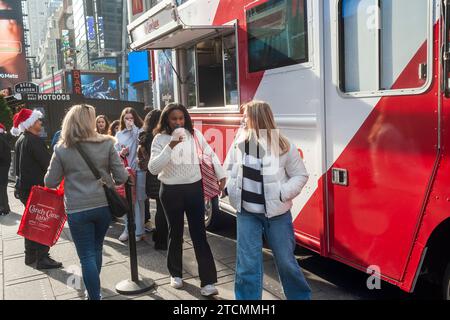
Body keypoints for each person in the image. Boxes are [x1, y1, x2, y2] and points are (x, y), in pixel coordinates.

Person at [223, 100, 311, 300]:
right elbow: (229, 166)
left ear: (256, 118)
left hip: (277, 215)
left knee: (286, 262)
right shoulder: (240, 141)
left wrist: (283, 193)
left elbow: (300, 175)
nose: (242, 119)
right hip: (246, 213)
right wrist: (228, 187)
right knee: (247, 264)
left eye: (245, 116)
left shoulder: (283, 144)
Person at [44, 104, 129, 300]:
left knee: (86, 256)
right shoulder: (107, 143)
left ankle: (94, 295)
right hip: (103, 206)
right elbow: (122, 177)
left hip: (77, 208)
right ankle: (94, 290)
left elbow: (50, 182)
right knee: (97, 249)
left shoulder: (62, 149)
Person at [149, 103, 226, 297]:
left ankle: (208, 281)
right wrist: (171, 145)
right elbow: (153, 168)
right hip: (170, 191)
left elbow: (209, 153)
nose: (178, 122)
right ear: (166, 119)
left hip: (194, 189)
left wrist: (221, 173)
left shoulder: (195, 135)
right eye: (174, 118)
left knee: (199, 233)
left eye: (181, 118)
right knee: (175, 232)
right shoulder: (159, 139)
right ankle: (175, 274)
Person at [11, 108, 63, 269]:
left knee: (31, 222)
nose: (41, 122)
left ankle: (30, 255)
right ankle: (42, 258)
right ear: (30, 124)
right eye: (38, 120)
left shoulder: (22, 139)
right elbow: (48, 164)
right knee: (41, 222)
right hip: (35, 189)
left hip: (25, 188)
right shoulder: (33, 140)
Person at [137, 109, 168, 250]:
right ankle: (163, 240)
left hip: (150, 176)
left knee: (160, 209)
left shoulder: (144, 137)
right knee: (164, 209)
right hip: (161, 174)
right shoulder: (158, 137)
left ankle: (159, 239)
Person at [115, 107, 145, 242]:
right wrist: (121, 153)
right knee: (126, 200)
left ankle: (139, 230)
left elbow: (140, 140)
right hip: (125, 170)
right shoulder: (119, 134)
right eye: (126, 118)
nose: (129, 121)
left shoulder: (139, 131)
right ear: (122, 119)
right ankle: (127, 229)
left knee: (138, 200)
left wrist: (132, 128)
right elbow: (114, 152)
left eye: (131, 118)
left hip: (138, 170)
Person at [0, 123, 11, 216]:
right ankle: (5, 207)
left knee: (1, 188)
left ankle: (3, 208)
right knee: (2, 188)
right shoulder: (4, 137)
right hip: (4, 167)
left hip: (2, 167)